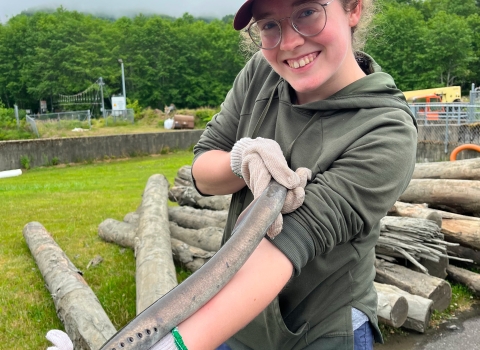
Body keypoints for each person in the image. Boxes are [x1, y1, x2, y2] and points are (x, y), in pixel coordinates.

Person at [153, 0, 418, 349]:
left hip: (322, 329)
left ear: (353, 8)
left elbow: (287, 241)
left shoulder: (386, 131)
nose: (289, 43)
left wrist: (175, 343)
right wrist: (241, 161)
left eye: (307, 12)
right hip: (237, 323)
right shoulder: (263, 72)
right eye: (269, 25)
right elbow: (203, 171)